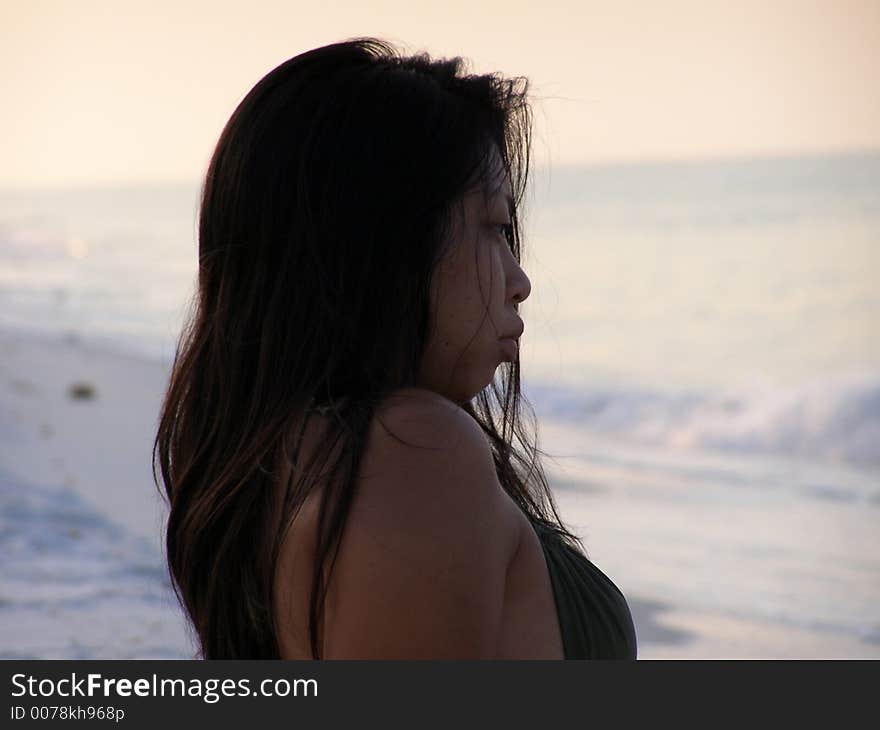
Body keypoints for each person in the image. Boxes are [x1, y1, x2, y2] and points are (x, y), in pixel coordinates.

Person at [153, 37, 637, 659]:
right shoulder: (414, 452)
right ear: (381, 249)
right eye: (493, 228)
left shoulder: (291, 455)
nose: (520, 281)